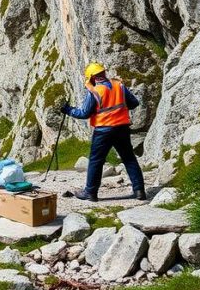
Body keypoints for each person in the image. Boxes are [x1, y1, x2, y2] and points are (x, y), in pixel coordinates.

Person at [61, 63, 146, 202]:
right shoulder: (119, 86)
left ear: (92, 77)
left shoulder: (95, 91)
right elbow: (134, 103)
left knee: (96, 161)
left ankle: (90, 192)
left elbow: (84, 113)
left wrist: (68, 110)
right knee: (129, 158)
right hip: (122, 128)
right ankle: (139, 191)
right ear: (104, 73)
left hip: (103, 130)